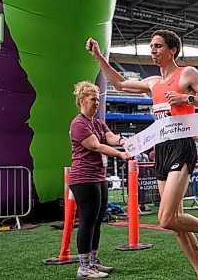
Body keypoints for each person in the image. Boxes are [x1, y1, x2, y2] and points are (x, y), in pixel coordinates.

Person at [86, 30, 198, 280]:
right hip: (162, 149)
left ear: (172, 51)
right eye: (151, 46)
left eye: (158, 46)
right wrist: (99, 57)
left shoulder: (187, 73)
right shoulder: (152, 83)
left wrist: (186, 97)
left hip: (182, 145)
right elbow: (119, 84)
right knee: (177, 224)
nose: (153, 50)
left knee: (167, 218)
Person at [69, 81, 131, 280]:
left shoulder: (97, 122)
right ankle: (84, 267)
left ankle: (93, 262)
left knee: (96, 222)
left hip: (98, 176)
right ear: (81, 101)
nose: (97, 102)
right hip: (83, 178)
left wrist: (122, 141)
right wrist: (120, 154)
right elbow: (96, 146)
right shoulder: (78, 123)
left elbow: (109, 136)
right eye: (92, 99)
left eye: (98, 98)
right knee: (87, 222)